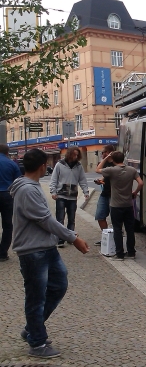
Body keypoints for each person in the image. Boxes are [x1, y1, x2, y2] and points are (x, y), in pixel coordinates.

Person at [9, 149, 89, 359]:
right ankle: (36, 341)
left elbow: (45, 221)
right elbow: (45, 219)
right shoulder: (27, 189)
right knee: (36, 298)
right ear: (43, 166)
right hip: (33, 252)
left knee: (58, 285)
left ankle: (32, 329)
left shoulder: (31, 186)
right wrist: (73, 238)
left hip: (46, 248)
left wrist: (67, 234)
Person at [96, 151, 143, 260]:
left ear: (113, 160)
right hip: (128, 204)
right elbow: (141, 183)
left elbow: (97, 169)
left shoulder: (112, 170)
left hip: (116, 205)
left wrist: (106, 157)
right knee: (130, 229)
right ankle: (131, 252)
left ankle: (120, 254)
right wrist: (135, 192)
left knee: (117, 229)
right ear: (123, 158)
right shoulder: (132, 170)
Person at [49, 146, 89, 247]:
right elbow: (54, 179)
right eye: (74, 154)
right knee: (60, 218)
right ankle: (60, 239)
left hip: (72, 196)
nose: (75, 156)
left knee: (72, 218)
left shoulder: (79, 166)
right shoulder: (60, 164)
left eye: (77, 155)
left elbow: (82, 180)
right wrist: (53, 192)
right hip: (61, 195)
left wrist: (86, 192)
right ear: (69, 154)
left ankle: (71, 237)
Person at [0, 144, 22, 261]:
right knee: (8, 225)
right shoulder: (12, 164)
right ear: (7, 153)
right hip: (7, 195)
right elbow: (18, 182)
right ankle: (2, 253)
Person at [93, 144, 115, 246]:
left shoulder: (115, 164)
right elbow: (105, 177)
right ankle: (106, 236)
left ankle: (115, 239)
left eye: (104, 152)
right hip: (104, 193)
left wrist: (106, 158)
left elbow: (97, 169)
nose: (102, 154)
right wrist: (100, 181)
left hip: (113, 195)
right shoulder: (105, 164)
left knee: (114, 218)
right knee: (99, 216)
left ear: (109, 153)